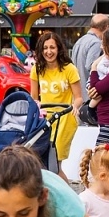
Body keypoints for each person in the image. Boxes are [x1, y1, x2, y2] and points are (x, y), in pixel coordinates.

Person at [30, 30, 83, 165]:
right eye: (45, 48)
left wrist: (75, 107)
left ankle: (60, 186)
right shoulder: (36, 69)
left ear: (59, 49)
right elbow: (34, 98)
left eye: (52, 47)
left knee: (55, 163)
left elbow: (79, 98)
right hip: (45, 120)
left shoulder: (69, 69)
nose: (49, 51)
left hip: (64, 119)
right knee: (44, 162)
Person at [71, 15, 109, 124]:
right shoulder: (96, 43)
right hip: (89, 97)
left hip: (78, 95)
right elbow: (92, 67)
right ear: (106, 27)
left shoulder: (80, 41)